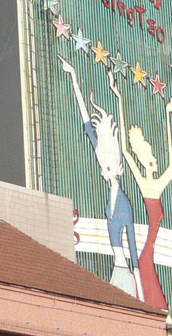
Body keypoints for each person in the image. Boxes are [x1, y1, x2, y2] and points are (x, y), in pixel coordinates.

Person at [58, 56, 142, 298]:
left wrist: (139, 281)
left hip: (123, 272)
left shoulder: (124, 204)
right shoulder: (111, 188)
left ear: (114, 165)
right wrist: (73, 77)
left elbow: (132, 244)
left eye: (105, 166)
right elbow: (87, 123)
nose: (102, 168)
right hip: (117, 270)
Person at [108, 70, 172, 311]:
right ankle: (151, 313)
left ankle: (150, 312)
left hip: (150, 244)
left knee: (148, 276)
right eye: (150, 156)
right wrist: (118, 98)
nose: (154, 159)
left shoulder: (155, 184)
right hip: (148, 245)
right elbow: (127, 152)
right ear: (147, 160)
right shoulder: (149, 185)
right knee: (147, 273)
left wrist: (168, 116)